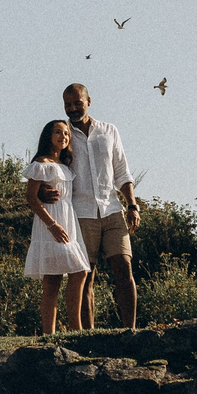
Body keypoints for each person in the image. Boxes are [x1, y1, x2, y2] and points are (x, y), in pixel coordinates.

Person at [58, 82, 138, 330]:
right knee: (86, 276)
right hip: (80, 213)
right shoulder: (63, 135)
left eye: (77, 103)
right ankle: (89, 334)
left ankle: (130, 331)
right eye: (68, 105)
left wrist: (132, 205)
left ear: (88, 101)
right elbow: (49, 165)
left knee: (124, 268)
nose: (72, 109)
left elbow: (122, 172)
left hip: (112, 209)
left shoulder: (109, 131)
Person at [21, 119, 89, 332]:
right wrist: (52, 225)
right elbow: (31, 198)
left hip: (69, 221)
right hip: (51, 222)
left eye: (66, 133)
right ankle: (56, 332)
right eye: (58, 132)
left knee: (74, 273)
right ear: (48, 136)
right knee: (57, 278)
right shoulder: (41, 164)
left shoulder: (65, 166)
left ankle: (70, 330)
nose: (63, 137)